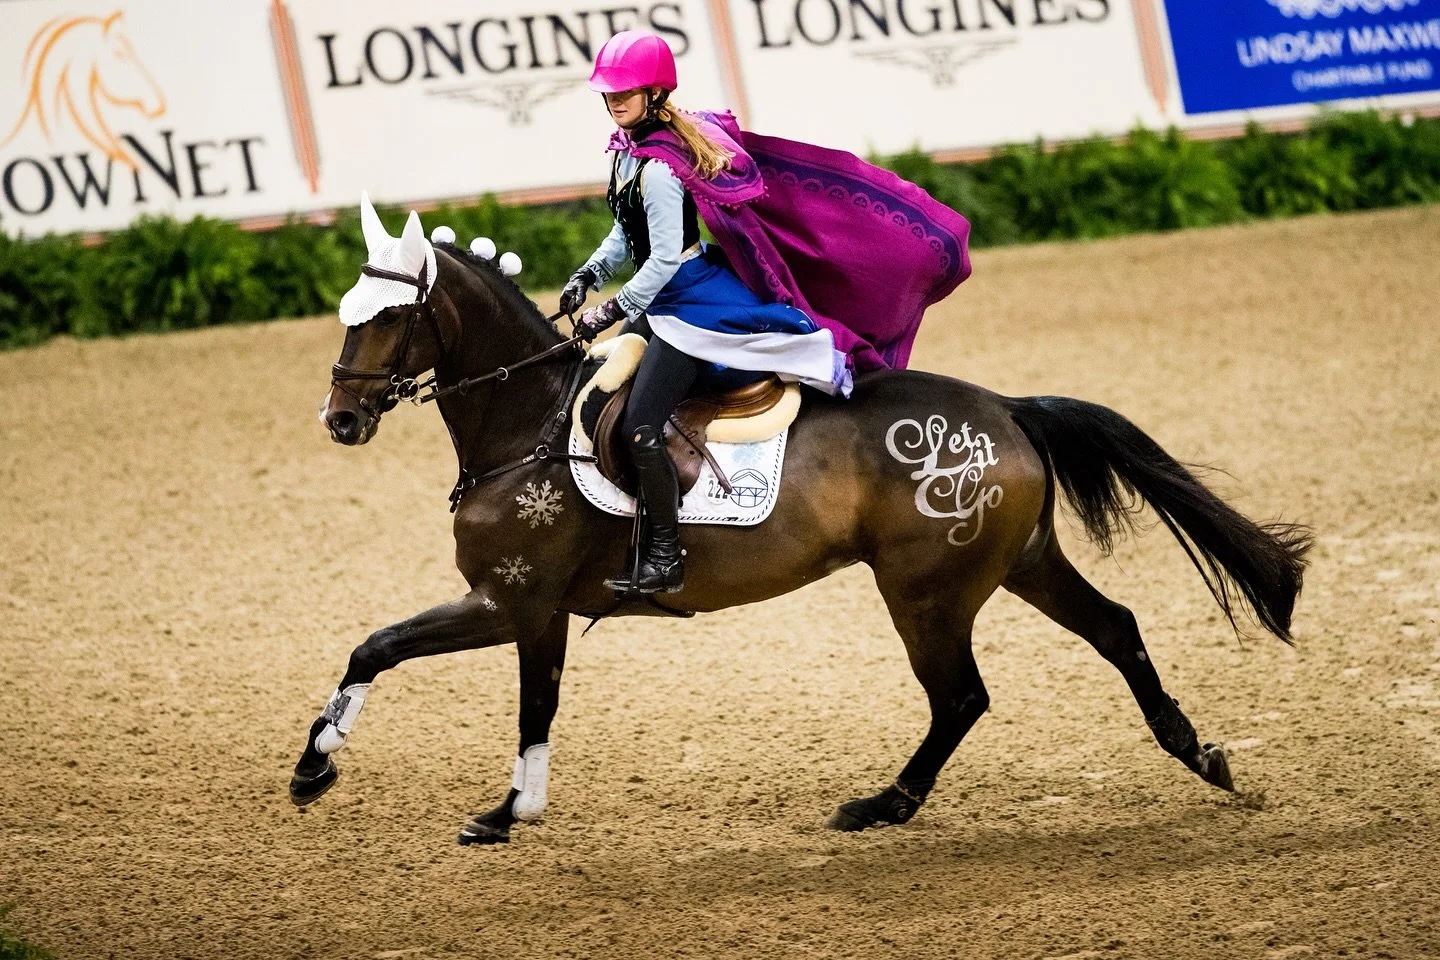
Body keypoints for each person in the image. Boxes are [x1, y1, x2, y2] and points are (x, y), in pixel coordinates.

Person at [564, 30, 975, 597]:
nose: (615, 101)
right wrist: (588, 273)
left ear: (656, 93)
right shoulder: (627, 152)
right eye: (609, 92)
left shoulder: (658, 167)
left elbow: (660, 258)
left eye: (626, 91)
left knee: (639, 428)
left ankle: (665, 555)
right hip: (669, 297)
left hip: (689, 307)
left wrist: (610, 306)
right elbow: (623, 232)